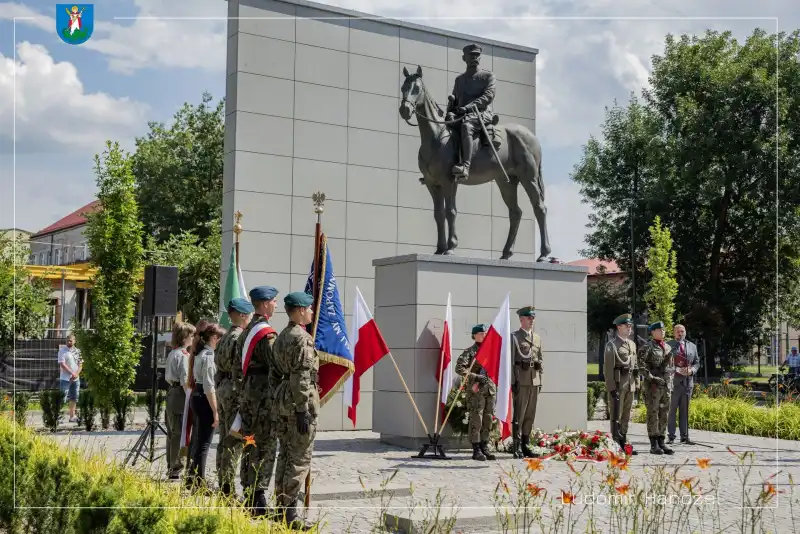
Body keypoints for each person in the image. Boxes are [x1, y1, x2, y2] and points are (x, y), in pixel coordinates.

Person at [272, 291, 318, 530]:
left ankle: (281, 509)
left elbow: (275, 373)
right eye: (308, 308)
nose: (311, 311)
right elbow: (301, 376)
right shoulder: (302, 338)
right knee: (299, 458)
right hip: (297, 403)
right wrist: (302, 409)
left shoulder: (282, 336)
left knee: (285, 455)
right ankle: (290, 516)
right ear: (300, 310)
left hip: (283, 400)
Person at [238, 286, 280, 517]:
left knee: (249, 442)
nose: (276, 304)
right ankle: (258, 498)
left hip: (248, 396)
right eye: (274, 301)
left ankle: (249, 491)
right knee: (265, 445)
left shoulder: (246, 331)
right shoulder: (266, 334)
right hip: (263, 399)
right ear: (264, 304)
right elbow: (278, 365)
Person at [215, 297, 254, 498]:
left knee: (224, 438)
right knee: (234, 441)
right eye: (250, 315)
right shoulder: (239, 338)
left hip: (223, 388)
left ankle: (223, 482)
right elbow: (240, 368)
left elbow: (217, 367)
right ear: (242, 315)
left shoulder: (224, 337)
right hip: (234, 392)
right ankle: (227, 489)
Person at [445, 43, 497, 182]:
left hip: (481, 113)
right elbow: (456, 100)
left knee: (466, 126)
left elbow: (488, 96)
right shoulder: (459, 80)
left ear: (480, 58)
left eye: (476, 55)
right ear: (464, 58)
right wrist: (451, 108)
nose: (474, 57)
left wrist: (468, 107)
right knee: (445, 126)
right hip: (462, 114)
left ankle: (466, 166)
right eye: (471, 55)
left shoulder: (488, 76)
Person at [186, 322, 226, 489]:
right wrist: (215, 411)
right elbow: (210, 387)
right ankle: (199, 482)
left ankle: (191, 477)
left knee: (198, 441)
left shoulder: (200, 353)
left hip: (197, 396)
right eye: (221, 340)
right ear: (214, 338)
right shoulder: (209, 356)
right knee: (204, 443)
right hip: (204, 398)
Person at [456, 324, 496, 461]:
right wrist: (476, 376)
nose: (484, 335)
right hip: (476, 390)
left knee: (488, 418)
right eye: (481, 333)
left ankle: (485, 446)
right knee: (476, 419)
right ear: (474, 336)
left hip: (489, 388)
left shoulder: (491, 351)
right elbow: (459, 368)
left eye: (485, 333)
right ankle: (476, 448)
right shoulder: (470, 352)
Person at [603, 313, 639, 455]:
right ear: (619, 327)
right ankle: (615, 442)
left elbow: (635, 366)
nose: (630, 328)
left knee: (626, 415)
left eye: (630, 326)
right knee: (616, 415)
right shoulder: (612, 345)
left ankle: (623, 439)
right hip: (618, 385)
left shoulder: (632, 344)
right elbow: (608, 369)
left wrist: (637, 383)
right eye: (627, 326)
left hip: (630, 384)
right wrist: (611, 388)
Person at [164, 321, 195, 479]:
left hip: (171, 392)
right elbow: (185, 381)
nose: (193, 338)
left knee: (172, 431)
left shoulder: (173, 353)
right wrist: (190, 399)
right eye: (192, 335)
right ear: (184, 337)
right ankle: (176, 467)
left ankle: (171, 465)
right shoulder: (183, 356)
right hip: (180, 395)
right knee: (179, 432)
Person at [511, 306, 542, 459]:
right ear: (521, 319)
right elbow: (511, 361)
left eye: (533, 318)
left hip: (534, 380)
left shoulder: (536, 338)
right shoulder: (515, 337)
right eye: (529, 318)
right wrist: (513, 382)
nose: (532, 320)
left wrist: (540, 380)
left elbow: (540, 360)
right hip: (521, 381)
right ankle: (516, 446)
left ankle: (526, 444)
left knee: (530, 414)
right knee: (519, 414)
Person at [638, 321, 674, 455]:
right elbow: (641, 365)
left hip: (666, 385)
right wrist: (652, 378)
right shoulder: (647, 347)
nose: (662, 332)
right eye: (659, 330)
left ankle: (661, 441)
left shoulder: (668, 347)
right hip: (653, 386)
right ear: (653, 332)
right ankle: (653, 444)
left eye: (663, 330)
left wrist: (670, 381)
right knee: (653, 413)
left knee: (664, 413)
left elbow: (670, 367)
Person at [667, 324, 700, 445]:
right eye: (678, 332)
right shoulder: (668, 345)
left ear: (685, 332)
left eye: (682, 331)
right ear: (674, 333)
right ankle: (671, 436)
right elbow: (664, 363)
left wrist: (692, 370)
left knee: (684, 411)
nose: (680, 334)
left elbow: (697, 362)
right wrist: (676, 369)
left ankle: (684, 436)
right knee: (672, 410)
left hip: (687, 383)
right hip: (674, 382)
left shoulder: (692, 346)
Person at [57, 334, 82, 423]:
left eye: (71, 341)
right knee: (62, 397)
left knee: (74, 397)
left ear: (74, 341)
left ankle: (72, 416)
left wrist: (76, 374)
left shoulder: (78, 351)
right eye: (67, 340)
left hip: (76, 378)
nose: (69, 342)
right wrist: (72, 373)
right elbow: (62, 364)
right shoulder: (62, 350)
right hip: (65, 378)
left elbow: (80, 365)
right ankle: (58, 416)